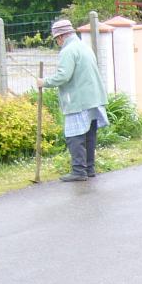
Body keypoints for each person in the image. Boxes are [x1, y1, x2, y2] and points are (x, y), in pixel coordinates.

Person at [38, 17, 108, 183]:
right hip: (94, 97)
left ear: (60, 37)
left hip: (78, 100)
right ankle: (89, 168)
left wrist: (44, 82)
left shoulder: (68, 51)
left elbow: (64, 75)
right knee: (89, 134)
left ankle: (78, 171)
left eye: (56, 40)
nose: (58, 43)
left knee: (74, 136)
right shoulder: (84, 46)